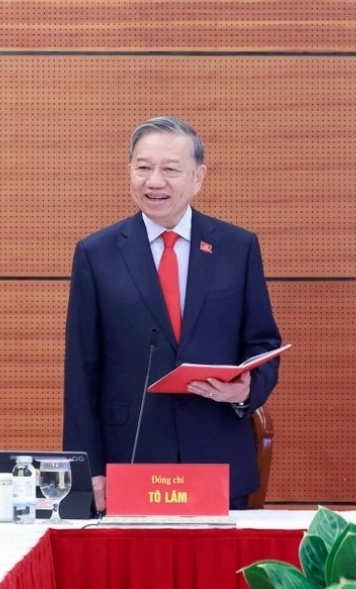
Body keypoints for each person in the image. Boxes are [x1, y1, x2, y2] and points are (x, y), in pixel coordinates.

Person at [63, 116, 282, 512]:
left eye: (169, 169)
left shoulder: (237, 248)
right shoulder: (97, 254)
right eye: (143, 167)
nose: (154, 181)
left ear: (198, 177)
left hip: (216, 454)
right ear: (129, 171)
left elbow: (262, 345)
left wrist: (247, 390)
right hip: (129, 457)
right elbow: (81, 371)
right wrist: (87, 470)